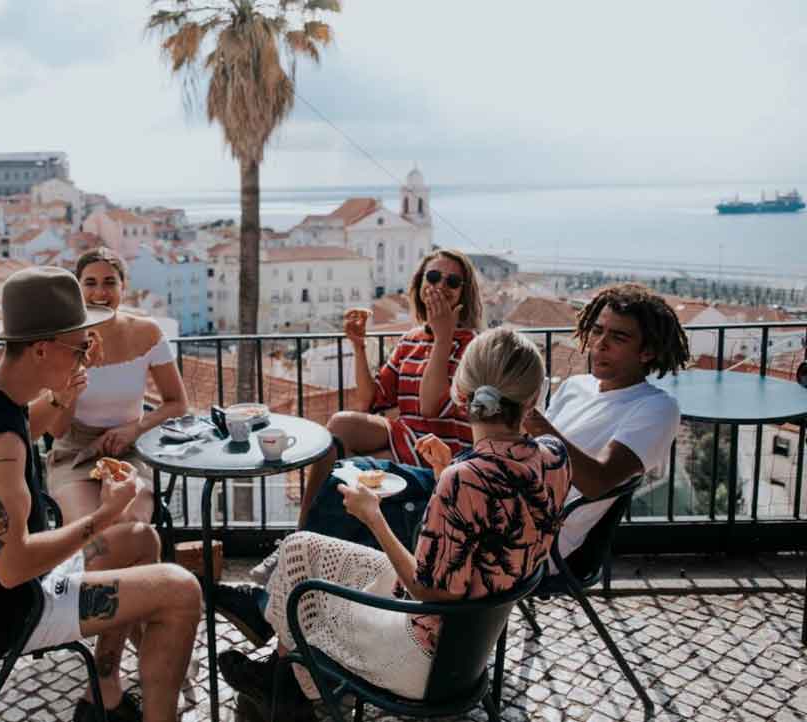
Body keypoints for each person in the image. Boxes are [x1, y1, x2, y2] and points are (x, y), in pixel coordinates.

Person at [219, 328, 571, 720]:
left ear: (460, 392)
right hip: (473, 642)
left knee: (305, 591)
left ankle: (285, 688)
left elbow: (426, 589)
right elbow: (494, 524)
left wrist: (373, 516)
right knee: (302, 547)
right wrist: (444, 473)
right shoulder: (555, 457)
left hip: (427, 661)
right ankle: (281, 680)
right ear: (533, 399)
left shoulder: (465, 479)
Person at [0, 267, 201, 722]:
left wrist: (62, 393)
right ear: (41, 349)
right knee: (182, 591)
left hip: (1, 585)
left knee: (141, 539)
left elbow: (28, 427)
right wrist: (104, 513)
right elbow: (13, 568)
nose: (87, 356)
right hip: (9, 610)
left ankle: (104, 690)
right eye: (80, 347)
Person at [247, 249, 483, 585]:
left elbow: (431, 408)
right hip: (405, 438)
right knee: (339, 426)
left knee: (346, 470)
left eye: (452, 281)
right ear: (419, 284)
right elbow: (369, 401)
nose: (441, 286)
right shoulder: (411, 340)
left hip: (440, 454)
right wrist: (358, 346)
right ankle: (297, 541)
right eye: (433, 277)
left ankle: (299, 556)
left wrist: (444, 337)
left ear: (464, 292)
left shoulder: (471, 345)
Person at [524, 283, 688, 563]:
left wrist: (532, 418)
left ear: (647, 351)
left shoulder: (657, 408)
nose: (601, 343)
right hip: (513, 505)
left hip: (543, 541)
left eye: (619, 337)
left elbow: (597, 482)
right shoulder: (575, 386)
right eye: (597, 331)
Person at [41, 247, 189, 528]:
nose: (100, 292)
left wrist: (134, 429)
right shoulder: (60, 339)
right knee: (87, 528)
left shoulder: (147, 331)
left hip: (131, 449)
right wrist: (75, 368)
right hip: (75, 452)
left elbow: (177, 403)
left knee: (130, 525)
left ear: (123, 287)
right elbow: (57, 430)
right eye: (90, 283)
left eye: (110, 282)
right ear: (77, 289)